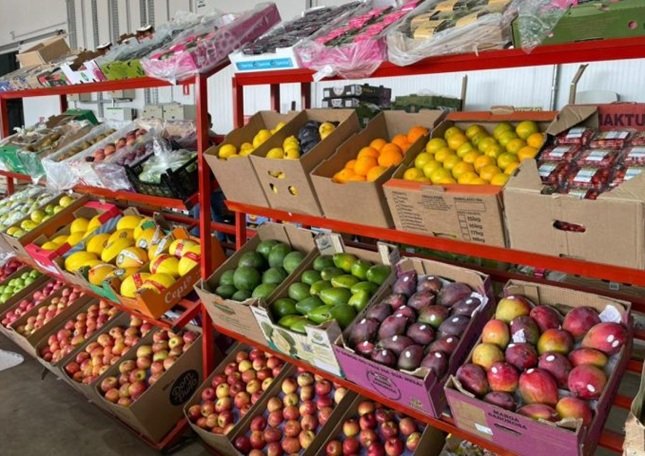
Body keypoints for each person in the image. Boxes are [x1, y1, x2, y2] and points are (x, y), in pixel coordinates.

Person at [189, 113, 231, 241]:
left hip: (213, 184)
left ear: (210, 125)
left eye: (204, 123)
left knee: (211, 213)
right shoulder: (193, 138)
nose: (200, 126)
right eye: (197, 123)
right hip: (203, 184)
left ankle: (214, 241)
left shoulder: (213, 139)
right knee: (205, 213)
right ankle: (209, 240)